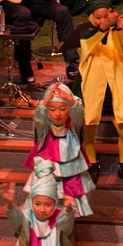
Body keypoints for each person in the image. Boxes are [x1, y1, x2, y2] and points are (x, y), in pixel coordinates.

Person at [67, 0, 123, 184]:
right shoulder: (86, 33)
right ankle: (92, 164)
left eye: (105, 16)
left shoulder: (115, 30)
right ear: (91, 16)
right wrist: (107, 26)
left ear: (111, 12)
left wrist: (118, 29)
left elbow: (118, 46)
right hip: (92, 86)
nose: (101, 20)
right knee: (89, 129)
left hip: (115, 85)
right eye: (97, 17)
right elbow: (91, 43)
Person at [24, 82, 95, 218]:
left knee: (69, 207)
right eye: (52, 109)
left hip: (71, 170)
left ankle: (68, 227)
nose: (58, 114)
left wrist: (71, 100)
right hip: (47, 168)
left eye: (63, 109)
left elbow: (79, 115)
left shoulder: (73, 126)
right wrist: (44, 103)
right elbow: (39, 118)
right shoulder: (44, 128)